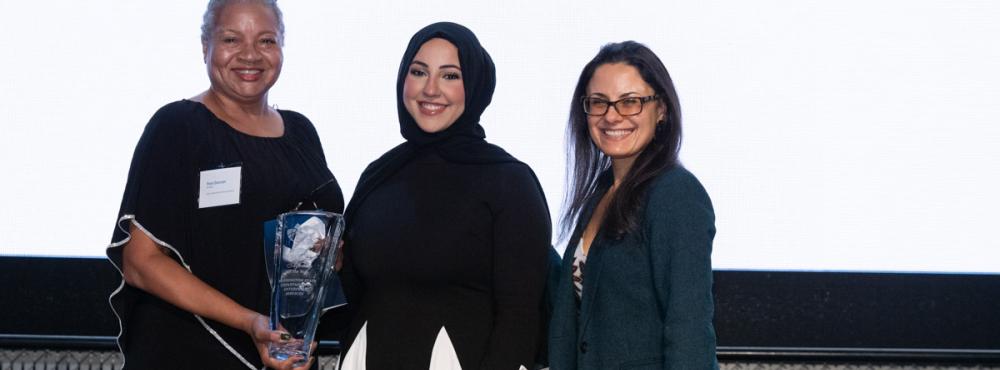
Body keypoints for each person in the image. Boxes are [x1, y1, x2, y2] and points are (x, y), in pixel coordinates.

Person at [106, 1, 343, 369]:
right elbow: (141, 262)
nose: (251, 55)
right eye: (231, 39)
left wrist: (328, 256)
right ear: (206, 47)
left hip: (283, 355)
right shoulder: (178, 127)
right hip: (188, 355)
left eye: (266, 40)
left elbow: (313, 252)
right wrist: (248, 322)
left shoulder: (302, 133)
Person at [336, 22, 552, 370]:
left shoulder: (510, 182)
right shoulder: (378, 174)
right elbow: (354, 293)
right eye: (419, 72)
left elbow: (520, 318)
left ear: (476, 86)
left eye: (450, 76)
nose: (431, 89)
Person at [548, 41, 718, 369]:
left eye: (630, 102)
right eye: (599, 102)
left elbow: (689, 326)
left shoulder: (676, 193)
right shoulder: (600, 194)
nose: (612, 116)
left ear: (662, 109)